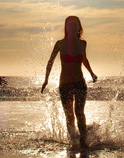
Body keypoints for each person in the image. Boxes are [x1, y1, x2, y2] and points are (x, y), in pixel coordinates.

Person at [41, 16, 97, 148]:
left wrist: (92, 73)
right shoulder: (60, 43)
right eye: (69, 25)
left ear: (79, 27)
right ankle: (73, 142)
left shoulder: (83, 43)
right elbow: (50, 61)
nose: (72, 27)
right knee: (69, 116)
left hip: (80, 83)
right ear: (66, 27)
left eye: (74, 25)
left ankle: (83, 142)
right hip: (64, 84)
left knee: (79, 113)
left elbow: (84, 59)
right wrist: (46, 79)